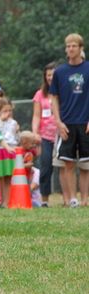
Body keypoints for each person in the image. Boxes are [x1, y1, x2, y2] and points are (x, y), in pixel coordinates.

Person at [50, 33, 89, 208]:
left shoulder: (88, 68)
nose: (70, 49)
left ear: (81, 48)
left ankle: (85, 199)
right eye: (68, 46)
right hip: (66, 123)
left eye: (73, 46)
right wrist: (58, 122)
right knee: (68, 163)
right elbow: (54, 98)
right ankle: (72, 199)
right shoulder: (60, 72)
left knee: (86, 165)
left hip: (85, 122)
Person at [32, 62, 58, 207]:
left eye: (53, 75)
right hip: (45, 137)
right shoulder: (39, 94)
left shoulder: (61, 91)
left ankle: (69, 199)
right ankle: (45, 200)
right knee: (46, 166)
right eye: (48, 75)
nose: (50, 78)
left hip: (61, 135)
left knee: (65, 166)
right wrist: (35, 133)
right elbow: (36, 116)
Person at [0, 97, 18, 208]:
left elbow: (15, 138)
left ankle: (7, 202)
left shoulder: (13, 122)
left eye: (9, 111)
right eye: (5, 111)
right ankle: (0, 201)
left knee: (8, 177)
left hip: (11, 150)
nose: (8, 113)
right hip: (0, 151)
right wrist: (6, 147)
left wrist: (17, 131)